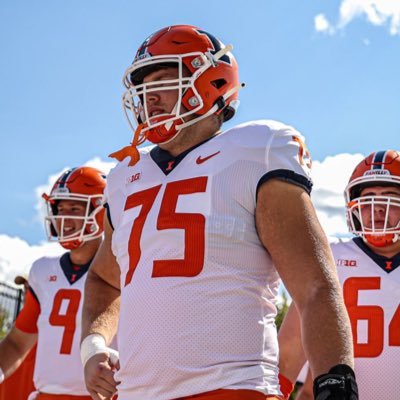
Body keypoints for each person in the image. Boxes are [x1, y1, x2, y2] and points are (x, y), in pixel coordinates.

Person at [80, 24, 358, 400]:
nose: (149, 98)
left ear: (210, 83)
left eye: (162, 79)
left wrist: (335, 378)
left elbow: (314, 284)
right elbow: (103, 279)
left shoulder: (255, 150)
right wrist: (93, 344)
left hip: (232, 387)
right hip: (136, 392)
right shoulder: (126, 176)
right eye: (144, 86)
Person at [279, 150, 400, 400]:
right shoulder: (330, 257)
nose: (378, 209)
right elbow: (290, 351)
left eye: (390, 198)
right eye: (369, 199)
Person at [0, 166, 107, 400]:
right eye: (59, 209)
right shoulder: (42, 271)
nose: (63, 219)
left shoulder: (121, 269)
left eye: (74, 208)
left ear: (101, 211)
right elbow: (18, 343)